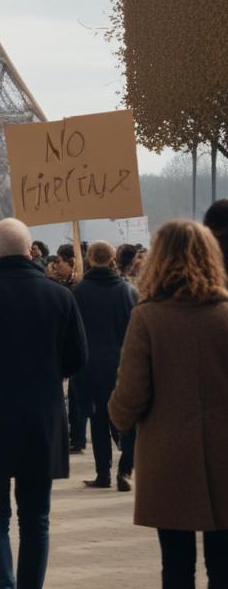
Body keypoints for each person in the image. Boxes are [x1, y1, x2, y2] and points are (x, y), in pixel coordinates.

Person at [0, 218, 88, 589]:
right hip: (40, 416)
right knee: (36, 518)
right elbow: (77, 360)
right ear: (30, 252)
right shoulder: (60, 296)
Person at [109, 219, 228, 587]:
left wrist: (117, 418)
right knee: (224, 566)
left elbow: (131, 395)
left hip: (168, 455)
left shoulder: (147, 317)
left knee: (176, 566)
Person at [71, 241, 138, 490]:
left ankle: (103, 473)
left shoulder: (78, 293)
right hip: (122, 365)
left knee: (98, 418)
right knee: (128, 420)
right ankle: (125, 470)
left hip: (89, 366)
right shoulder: (127, 292)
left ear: (89, 258)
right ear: (113, 260)